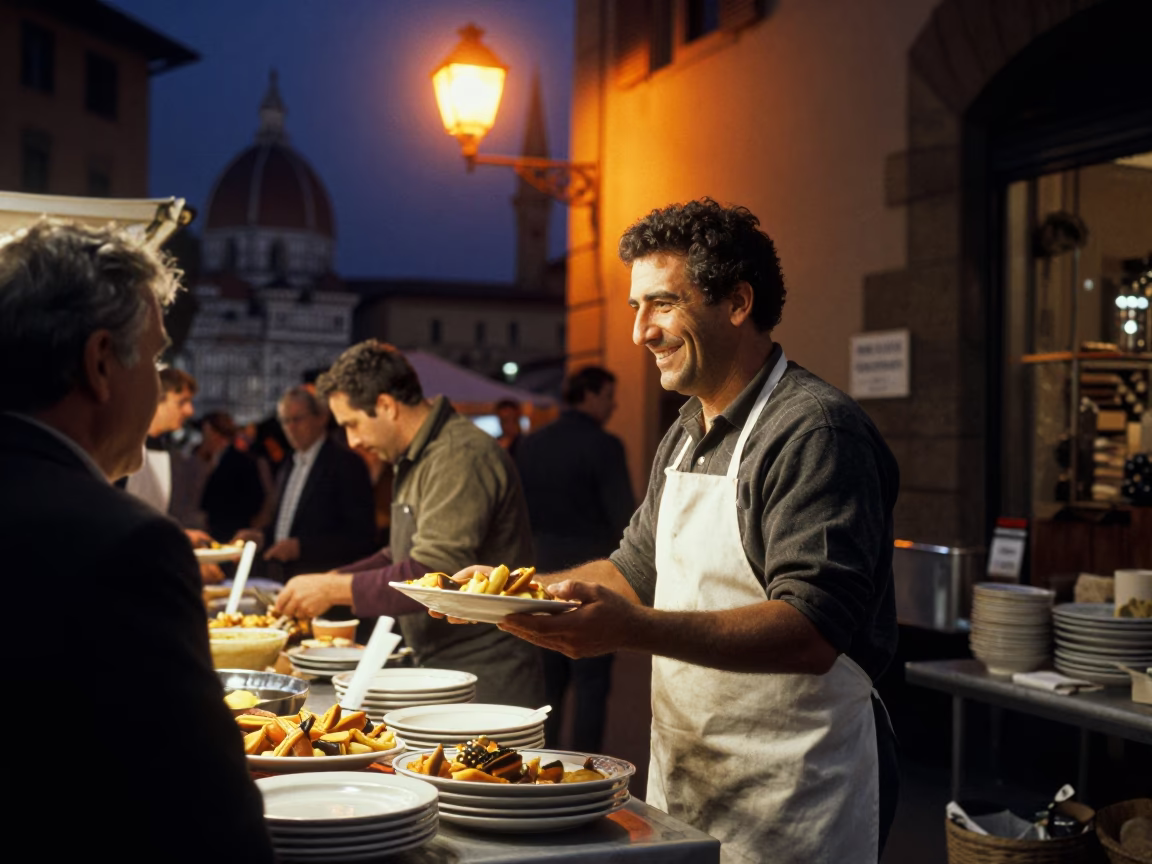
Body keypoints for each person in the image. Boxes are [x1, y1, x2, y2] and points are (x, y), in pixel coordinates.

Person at [452, 200, 900, 864]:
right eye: (637, 307)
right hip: (691, 772)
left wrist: (629, 629)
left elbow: (813, 632)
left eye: (662, 304)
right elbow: (632, 570)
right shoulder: (686, 431)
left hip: (798, 788)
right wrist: (513, 594)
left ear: (738, 302)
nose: (640, 332)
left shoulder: (813, 430)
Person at [0, 221, 272, 860]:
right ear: (100, 363)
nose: (158, 383)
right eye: (152, 358)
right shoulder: (126, 545)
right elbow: (210, 822)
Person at [274, 341, 546, 708]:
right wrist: (330, 579)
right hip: (442, 664)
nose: (352, 441)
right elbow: (399, 552)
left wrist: (332, 589)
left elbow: (434, 570)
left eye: (352, 424)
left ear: (386, 405)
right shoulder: (417, 454)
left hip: (484, 674)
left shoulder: (457, 455)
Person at [514, 366, 635, 751]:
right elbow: (623, 517)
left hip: (541, 570)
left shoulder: (531, 444)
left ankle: (541, 767)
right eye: (608, 396)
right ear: (589, 395)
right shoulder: (604, 445)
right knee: (591, 683)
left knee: (547, 687)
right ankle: (585, 774)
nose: (614, 405)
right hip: (590, 575)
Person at [235, 386, 376, 581]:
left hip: (325, 582)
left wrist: (302, 548)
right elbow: (286, 526)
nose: (290, 428)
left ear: (321, 418)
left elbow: (361, 538)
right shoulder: (288, 464)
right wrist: (261, 537)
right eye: (285, 421)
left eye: (297, 419)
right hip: (284, 580)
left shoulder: (346, 464)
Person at [123, 366, 196, 513]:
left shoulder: (170, 451)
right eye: (182, 402)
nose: (190, 411)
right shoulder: (123, 447)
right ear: (156, 398)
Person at [198, 411, 265, 543]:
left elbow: (255, 497)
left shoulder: (240, 460)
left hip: (231, 533)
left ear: (213, 433)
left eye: (205, 433)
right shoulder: (218, 458)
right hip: (222, 531)